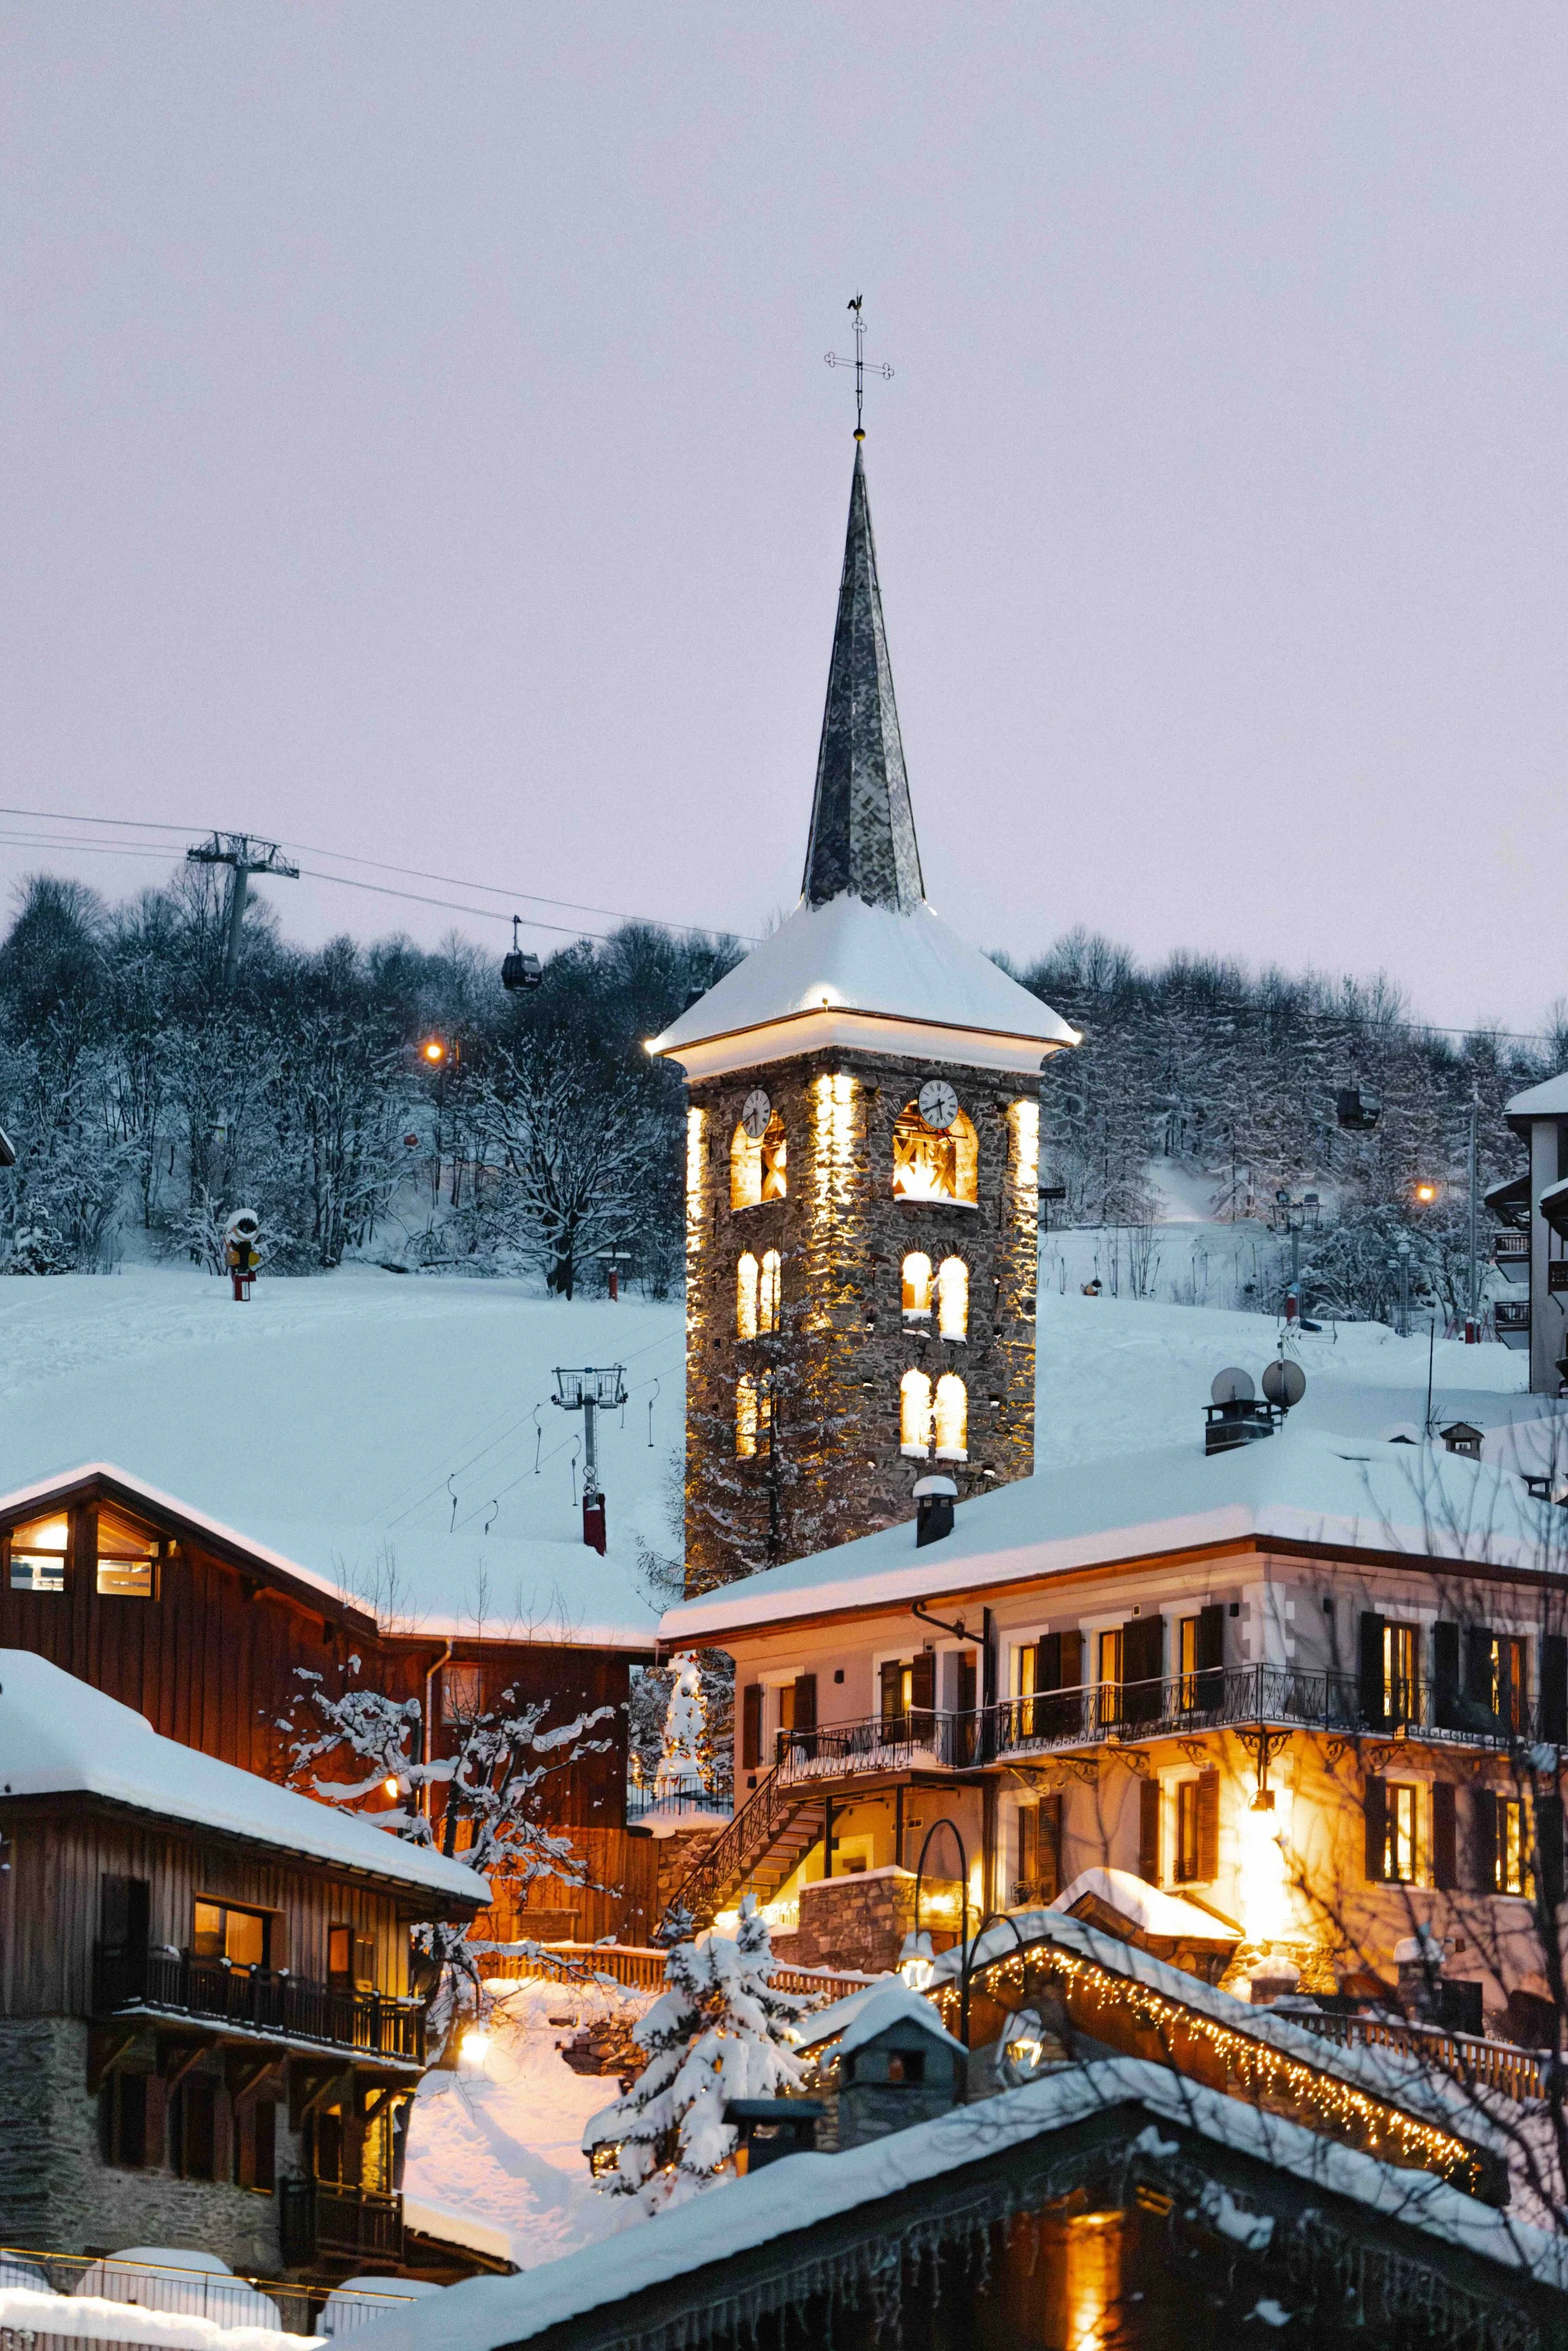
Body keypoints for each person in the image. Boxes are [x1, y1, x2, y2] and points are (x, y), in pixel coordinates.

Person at [225, 1213, 261, 1302]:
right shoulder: (244, 1242)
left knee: (242, 1281)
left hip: (242, 1268)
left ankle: (243, 1297)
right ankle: (243, 1297)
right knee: (241, 1281)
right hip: (241, 1267)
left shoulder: (244, 1242)